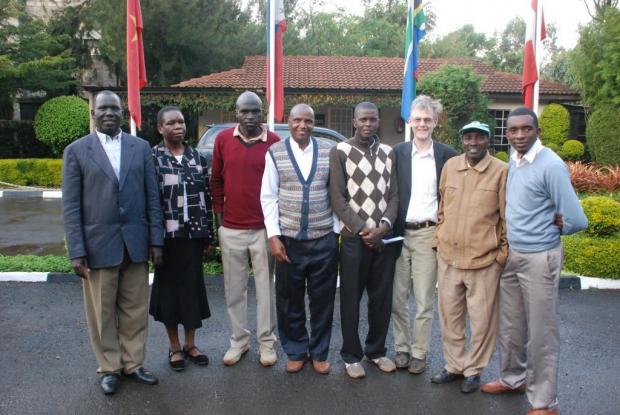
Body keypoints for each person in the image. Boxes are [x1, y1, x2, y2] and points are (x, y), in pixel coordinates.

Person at [481, 107, 588, 415]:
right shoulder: (515, 160)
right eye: (513, 130)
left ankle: (544, 402)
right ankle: (513, 378)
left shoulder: (551, 165)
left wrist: (560, 224)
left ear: (536, 130)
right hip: (513, 255)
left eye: (525, 129)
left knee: (541, 331)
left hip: (541, 257)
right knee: (511, 324)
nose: (518, 135)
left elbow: (577, 219)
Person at [62, 90, 164, 395]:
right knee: (102, 313)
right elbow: (71, 207)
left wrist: (156, 241)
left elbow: (152, 198)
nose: (109, 113)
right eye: (103, 108)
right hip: (97, 247)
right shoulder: (77, 151)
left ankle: (133, 363)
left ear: (123, 113)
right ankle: (110, 367)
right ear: (93, 114)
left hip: (135, 244)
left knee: (134, 309)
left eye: (115, 108)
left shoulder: (140, 147)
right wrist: (76, 250)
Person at [429, 121, 507, 393]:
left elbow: (506, 217)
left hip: (484, 261)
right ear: (462, 140)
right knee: (450, 317)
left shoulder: (501, 171)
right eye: (468, 137)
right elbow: (441, 207)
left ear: (488, 141)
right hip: (449, 257)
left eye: (479, 137)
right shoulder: (451, 166)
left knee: (482, 320)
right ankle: (454, 366)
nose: (473, 142)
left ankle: (474, 370)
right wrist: (439, 239)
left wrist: (501, 255)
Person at [261, 104, 339, 375]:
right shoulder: (275, 152)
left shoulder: (330, 151)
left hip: (323, 238)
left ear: (313, 123)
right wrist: (273, 235)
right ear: (288, 121)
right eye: (297, 120)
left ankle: (319, 353)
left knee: (322, 301)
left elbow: (337, 193)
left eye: (308, 120)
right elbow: (268, 196)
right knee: (288, 300)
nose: (302, 125)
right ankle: (295, 351)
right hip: (289, 241)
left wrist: (336, 233)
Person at [329, 102, 399, 379]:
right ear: (355, 122)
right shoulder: (341, 151)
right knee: (350, 298)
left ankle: (376, 351)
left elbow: (394, 195)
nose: (368, 124)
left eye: (373, 119)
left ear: (379, 122)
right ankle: (351, 354)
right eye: (363, 120)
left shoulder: (388, 152)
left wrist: (383, 226)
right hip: (353, 240)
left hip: (383, 238)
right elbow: (337, 197)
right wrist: (362, 230)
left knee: (381, 299)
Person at [210, 91, 279, 367]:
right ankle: (238, 341)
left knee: (265, 290)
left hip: (263, 229)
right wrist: (220, 222)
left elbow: (280, 187)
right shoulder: (223, 140)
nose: (250, 116)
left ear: (262, 113)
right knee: (234, 290)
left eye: (255, 111)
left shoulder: (274, 142)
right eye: (244, 111)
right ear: (235, 112)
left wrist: (275, 230)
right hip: (232, 230)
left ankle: (266, 344)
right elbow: (215, 181)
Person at [391, 95, 457, 374]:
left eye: (427, 119)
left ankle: (419, 351)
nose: (422, 124)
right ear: (410, 121)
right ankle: (401, 348)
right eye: (417, 119)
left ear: (435, 122)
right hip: (397, 235)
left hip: (428, 234)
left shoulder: (447, 156)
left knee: (423, 299)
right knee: (397, 297)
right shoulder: (397, 153)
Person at [150, 106, 215, 371]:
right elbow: (150, 201)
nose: (178, 127)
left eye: (181, 122)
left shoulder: (196, 157)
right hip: (167, 239)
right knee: (169, 294)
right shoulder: (152, 158)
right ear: (160, 128)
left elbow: (206, 197)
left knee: (191, 291)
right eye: (171, 123)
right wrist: (153, 241)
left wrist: (209, 235)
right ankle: (174, 347)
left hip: (193, 237)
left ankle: (191, 344)